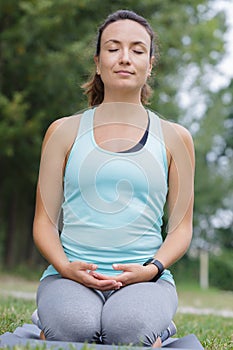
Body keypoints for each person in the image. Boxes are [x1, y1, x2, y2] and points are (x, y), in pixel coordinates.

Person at [33, 9, 195, 348]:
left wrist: (152, 269)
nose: (125, 58)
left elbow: (180, 228)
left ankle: (158, 329)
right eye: (113, 48)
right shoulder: (63, 132)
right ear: (97, 61)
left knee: (129, 331)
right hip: (69, 277)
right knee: (74, 328)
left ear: (150, 64)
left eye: (137, 50)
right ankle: (50, 321)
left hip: (145, 281)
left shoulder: (176, 138)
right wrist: (64, 268)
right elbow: (44, 224)